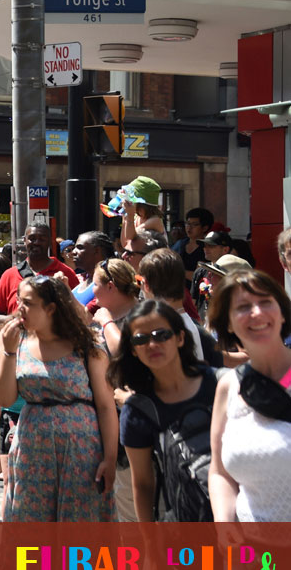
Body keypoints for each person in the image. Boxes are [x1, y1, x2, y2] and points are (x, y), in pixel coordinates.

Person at [0, 277, 117, 520]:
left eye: (28, 303)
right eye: (19, 301)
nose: (20, 308)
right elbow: (4, 398)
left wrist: (110, 458)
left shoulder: (85, 344)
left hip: (81, 450)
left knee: (80, 527)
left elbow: (105, 405)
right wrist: (8, 353)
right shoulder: (15, 341)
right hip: (32, 448)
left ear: (51, 308)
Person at [108, 300, 214, 522]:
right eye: (141, 339)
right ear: (133, 351)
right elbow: (143, 484)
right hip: (186, 526)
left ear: (180, 338)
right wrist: (150, 546)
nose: (152, 344)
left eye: (161, 335)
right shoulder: (137, 411)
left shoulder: (216, 382)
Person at [207, 269, 291, 522]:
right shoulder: (228, 387)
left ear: (282, 312)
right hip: (252, 555)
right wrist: (224, 526)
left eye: (266, 302)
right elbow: (220, 472)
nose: (257, 312)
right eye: (243, 307)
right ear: (228, 323)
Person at [0, 223, 79, 325]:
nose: (37, 242)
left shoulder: (66, 274)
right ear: (24, 241)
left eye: (42, 239)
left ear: (50, 242)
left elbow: (79, 312)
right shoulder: (9, 275)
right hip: (18, 340)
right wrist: (18, 320)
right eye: (32, 238)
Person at [174, 208, 213, 279]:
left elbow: (199, 276)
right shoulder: (180, 244)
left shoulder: (208, 248)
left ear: (205, 228)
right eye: (187, 223)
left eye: (194, 224)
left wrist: (177, 271)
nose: (189, 227)